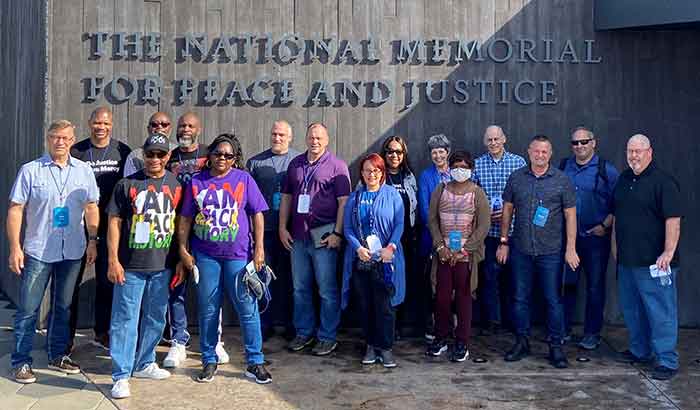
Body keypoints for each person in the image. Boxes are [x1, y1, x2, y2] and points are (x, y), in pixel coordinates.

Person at [8, 120, 99, 384]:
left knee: (63, 307)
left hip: (72, 251)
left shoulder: (83, 171)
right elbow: (16, 210)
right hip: (37, 251)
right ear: (48, 139)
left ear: (72, 141)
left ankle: (58, 354)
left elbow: (92, 206)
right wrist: (15, 247)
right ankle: (21, 361)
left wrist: (93, 240)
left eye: (65, 138)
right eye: (55, 137)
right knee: (28, 309)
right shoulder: (31, 171)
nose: (60, 142)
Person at [178, 134, 272, 384]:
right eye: (218, 153)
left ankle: (255, 361)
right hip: (206, 255)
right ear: (210, 156)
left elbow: (258, 214)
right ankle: (209, 360)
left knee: (247, 309)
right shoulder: (197, 181)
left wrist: (259, 249)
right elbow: (186, 218)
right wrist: (183, 249)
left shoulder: (244, 179)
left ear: (235, 159)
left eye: (228, 155)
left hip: (238, 256)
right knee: (208, 309)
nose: (222, 158)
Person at [106, 133, 182, 399]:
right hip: (131, 265)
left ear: (168, 156)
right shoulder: (126, 185)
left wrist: (181, 259)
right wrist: (113, 260)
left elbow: (181, 225)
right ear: (143, 155)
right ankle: (121, 374)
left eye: (161, 154)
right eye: (151, 154)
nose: (155, 159)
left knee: (155, 317)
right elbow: (114, 222)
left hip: (163, 265)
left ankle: (145, 362)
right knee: (124, 320)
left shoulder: (176, 184)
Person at [497, 135, 579, 369]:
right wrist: (504, 242)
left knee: (553, 300)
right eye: (536, 151)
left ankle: (556, 346)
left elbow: (570, 215)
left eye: (544, 152)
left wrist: (571, 248)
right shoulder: (516, 178)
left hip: (551, 251)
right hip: (521, 249)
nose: (540, 155)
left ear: (550, 154)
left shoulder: (562, 180)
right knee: (520, 298)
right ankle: (522, 342)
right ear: (529, 152)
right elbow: (507, 210)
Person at [612, 134, 682, 381]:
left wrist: (668, 252)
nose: (634, 156)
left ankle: (666, 359)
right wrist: (615, 249)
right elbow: (617, 217)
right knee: (633, 311)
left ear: (650, 152)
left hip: (655, 263)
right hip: (627, 262)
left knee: (661, 311)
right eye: (630, 151)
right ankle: (640, 351)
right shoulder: (624, 179)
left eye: (639, 151)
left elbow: (673, 219)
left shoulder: (663, 182)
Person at [162, 112, 229, 368]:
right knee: (176, 287)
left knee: (210, 289)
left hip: (205, 230)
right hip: (173, 229)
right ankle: (179, 341)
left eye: (190, 125)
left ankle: (215, 341)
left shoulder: (210, 154)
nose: (185, 129)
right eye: (181, 125)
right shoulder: (167, 157)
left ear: (199, 129)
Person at [280, 123, 351, 356]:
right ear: (305, 138)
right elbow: (287, 198)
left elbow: (344, 203)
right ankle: (304, 332)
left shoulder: (337, 166)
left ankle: (327, 336)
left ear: (327, 140)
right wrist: (282, 227)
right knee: (300, 288)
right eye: (311, 137)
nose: (315, 141)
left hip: (324, 237)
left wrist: (338, 234)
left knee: (327, 290)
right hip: (298, 237)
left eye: (319, 138)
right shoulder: (295, 164)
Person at [68, 107, 131, 352]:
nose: (100, 127)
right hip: (77, 226)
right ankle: (66, 335)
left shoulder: (122, 151)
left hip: (111, 225)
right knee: (70, 283)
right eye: (96, 123)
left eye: (105, 123)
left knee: (108, 282)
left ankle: (102, 332)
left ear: (111, 124)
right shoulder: (77, 151)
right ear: (89, 123)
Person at [341, 153, 405, 368]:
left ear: (382, 172)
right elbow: (348, 228)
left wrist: (391, 247)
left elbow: (399, 224)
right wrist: (357, 247)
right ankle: (370, 346)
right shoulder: (355, 197)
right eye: (368, 170)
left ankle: (385, 348)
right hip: (362, 259)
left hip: (386, 259)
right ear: (362, 173)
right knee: (366, 304)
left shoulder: (392, 195)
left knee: (385, 306)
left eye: (376, 170)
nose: (372, 174)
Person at [426, 150, 490, 362]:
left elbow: (483, 226)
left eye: (463, 167)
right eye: (455, 167)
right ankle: (441, 337)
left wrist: (465, 249)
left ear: (471, 169)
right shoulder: (441, 189)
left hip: (466, 257)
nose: (459, 171)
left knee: (464, 299)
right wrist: (440, 247)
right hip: (443, 256)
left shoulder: (477, 192)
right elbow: (432, 220)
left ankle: (462, 341)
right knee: (442, 298)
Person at [559, 126, 619, 350]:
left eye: (584, 142)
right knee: (567, 285)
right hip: (569, 239)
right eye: (575, 143)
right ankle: (563, 330)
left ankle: (592, 333)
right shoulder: (564, 167)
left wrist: (605, 226)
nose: (580, 146)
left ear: (594, 143)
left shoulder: (607, 171)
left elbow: (619, 204)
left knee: (595, 286)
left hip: (596, 239)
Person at [246, 120, 301, 341]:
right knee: (262, 279)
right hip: (264, 232)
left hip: (291, 231)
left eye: (281, 135)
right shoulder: (255, 163)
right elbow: (247, 200)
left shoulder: (298, 161)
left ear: (290, 137)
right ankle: (263, 325)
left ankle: (291, 325)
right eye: (274, 134)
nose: (277, 138)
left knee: (291, 280)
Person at [472, 125, 526, 334]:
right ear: (485, 142)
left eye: (496, 139)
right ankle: (491, 323)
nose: (493, 143)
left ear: (504, 139)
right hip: (488, 234)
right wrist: (484, 214)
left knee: (514, 280)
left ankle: (513, 323)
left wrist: (507, 213)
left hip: (513, 233)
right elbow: (473, 197)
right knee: (489, 280)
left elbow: (524, 195)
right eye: (489, 140)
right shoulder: (477, 164)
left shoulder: (518, 162)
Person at [380, 136, 418, 337]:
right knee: (383, 283)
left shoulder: (409, 177)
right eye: (390, 151)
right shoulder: (377, 175)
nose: (394, 155)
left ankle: (399, 324)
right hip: (381, 242)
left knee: (403, 283)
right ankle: (386, 325)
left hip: (405, 239)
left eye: (398, 152)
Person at [417, 134, 452, 339]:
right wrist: (439, 234)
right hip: (432, 239)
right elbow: (424, 210)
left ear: (447, 152)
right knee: (433, 284)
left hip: (456, 239)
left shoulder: (457, 173)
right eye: (434, 152)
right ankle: (434, 325)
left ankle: (453, 323)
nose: (438, 155)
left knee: (454, 283)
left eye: (441, 151)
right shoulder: (426, 176)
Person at [123, 111, 177, 177]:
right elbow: (129, 182)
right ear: (148, 129)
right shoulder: (135, 156)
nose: (159, 127)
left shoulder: (177, 151)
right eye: (154, 125)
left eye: (164, 125)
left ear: (170, 129)